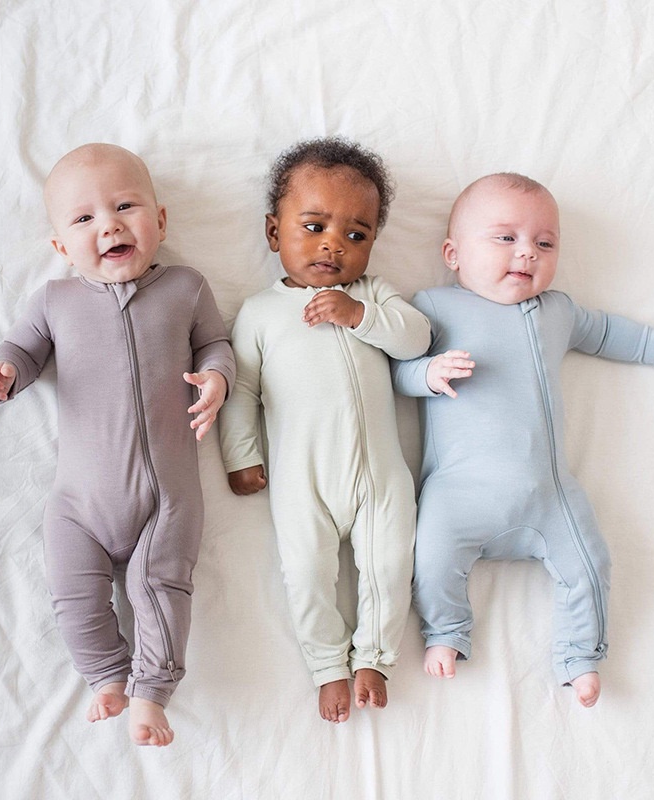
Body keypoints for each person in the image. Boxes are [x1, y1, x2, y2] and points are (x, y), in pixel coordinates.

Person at [391, 172, 654, 707]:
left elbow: (611, 334)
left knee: (592, 563)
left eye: (545, 244)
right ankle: (446, 631)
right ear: (453, 254)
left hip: (549, 494)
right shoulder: (434, 306)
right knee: (429, 559)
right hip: (459, 491)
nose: (527, 253)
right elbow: (396, 369)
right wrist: (427, 374)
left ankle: (580, 655)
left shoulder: (558, 311)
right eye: (506, 238)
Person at [0, 143, 235, 745]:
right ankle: (106, 676)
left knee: (160, 588)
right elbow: (22, 350)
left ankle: (151, 692)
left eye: (125, 206)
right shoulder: (54, 301)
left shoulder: (186, 288)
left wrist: (217, 377)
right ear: (62, 247)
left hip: (166, 498)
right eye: (84, 218)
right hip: (77, 505)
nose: (110, 225)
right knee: (73, 595)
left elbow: (215, 344)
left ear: (160, 220)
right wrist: (3, 373)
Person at [219, 138, 431, 723]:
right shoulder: (259, 313)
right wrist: (240, 456)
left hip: (380, 477)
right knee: (306, 574)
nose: (334, 244)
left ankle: (375, 658)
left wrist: (358, 314)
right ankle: (328, 666)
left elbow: (417, 338)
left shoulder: (372, 295)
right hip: (301, 479)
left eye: (356, 235)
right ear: (273, 232)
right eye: (314, 227)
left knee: (390, 565)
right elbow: (240, 392)